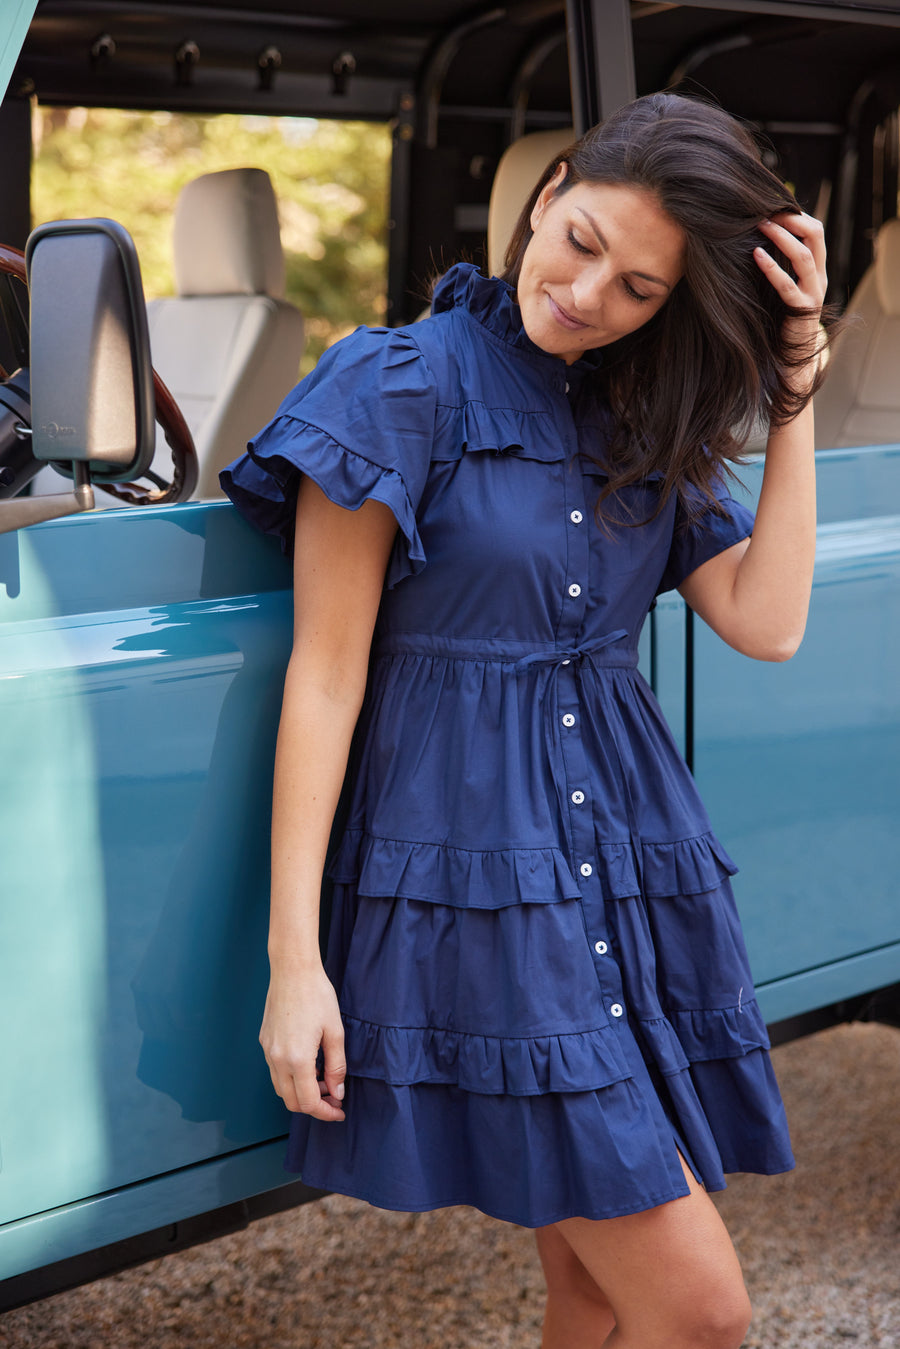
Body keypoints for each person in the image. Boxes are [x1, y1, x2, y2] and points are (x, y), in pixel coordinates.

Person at [221, 91, 830, 1349]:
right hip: (472, 892)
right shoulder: (398, 379)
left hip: (620, 873)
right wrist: (298, 963)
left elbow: (768, 621)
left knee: (597, 1291)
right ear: (548, 194)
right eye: (585, 240)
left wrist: (796, 384)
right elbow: (325, 679)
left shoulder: (637, 408)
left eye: (642, 288)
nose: (590, 292)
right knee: (702, 1308)